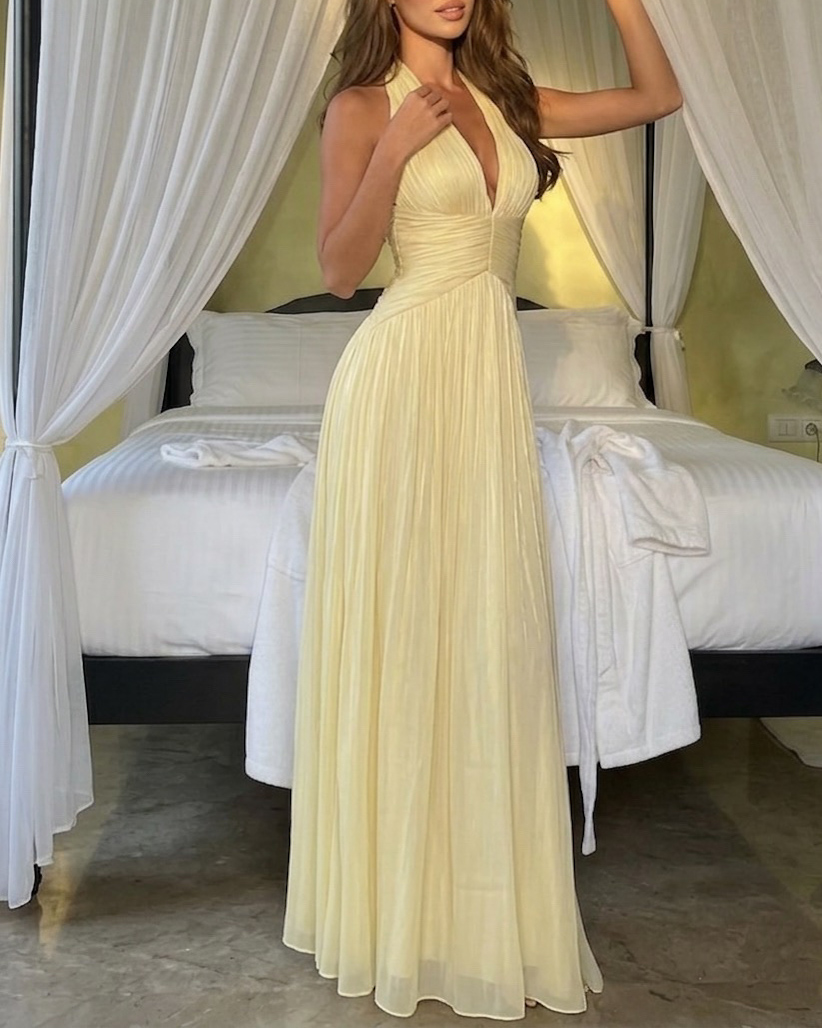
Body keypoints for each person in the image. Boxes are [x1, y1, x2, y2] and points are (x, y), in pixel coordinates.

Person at [282, 0, 681, 1019]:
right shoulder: (362, 106)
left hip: (487, 385)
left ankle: (474, 906)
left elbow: (659, 94)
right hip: (399, 381)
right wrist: (391, 153)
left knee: (486, 635)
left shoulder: (508, 99)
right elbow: (338, 271)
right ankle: (395, 912)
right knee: (409, 635)